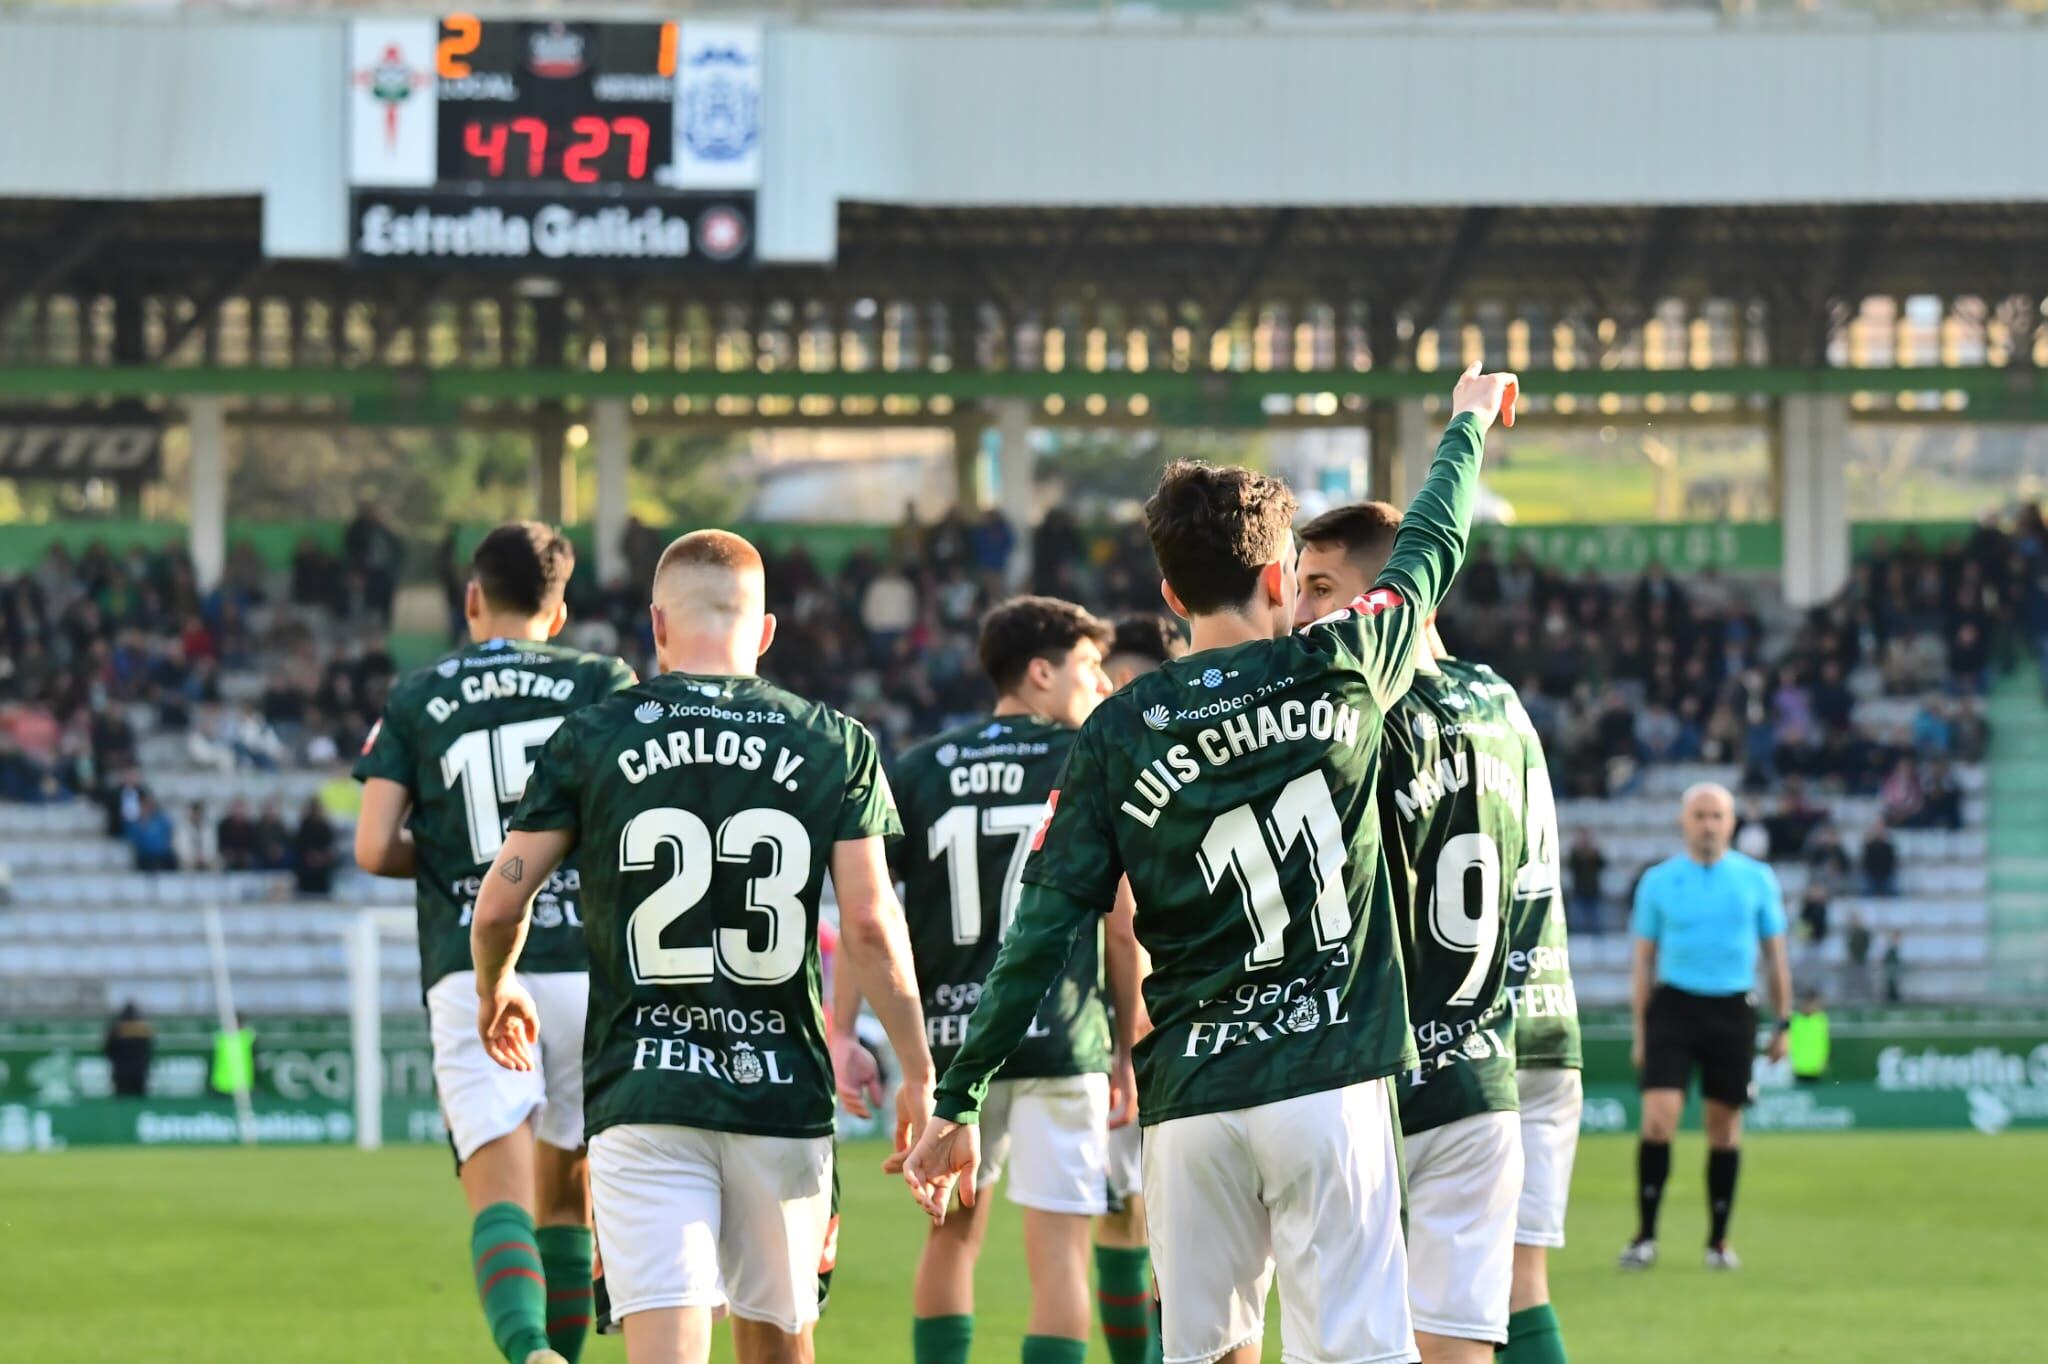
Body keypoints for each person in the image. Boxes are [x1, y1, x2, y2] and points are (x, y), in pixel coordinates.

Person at [903, 365, 1516, 1364]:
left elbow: (1043, 922)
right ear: (1281, 577)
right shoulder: (1341, 661)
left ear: (1165, 591)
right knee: (1356, 1347)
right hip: (1326, 1073)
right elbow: (1428, 544)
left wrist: (961, 1094)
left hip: (1191, 1096)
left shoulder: (1113, 727)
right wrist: (1465, 423)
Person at [471, 530, 938, 1364]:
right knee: (780, 1347)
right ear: (764, 632)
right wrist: (918, 1073)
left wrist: (495, 985)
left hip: (644, 1091)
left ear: (656, 625)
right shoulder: (834, 740)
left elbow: (501, 899)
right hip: (782, 1098)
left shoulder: (593, 736)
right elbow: (869, 925)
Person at [1293, 501, 1580, 1364]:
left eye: (1319, 587)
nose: (1303, 611)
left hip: (1416, 1054)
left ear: (1392, 591)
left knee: (1373, 1325)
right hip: (1526, 1019)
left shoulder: (1361, 715)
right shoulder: (1502, 701)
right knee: (1511, 1292)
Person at [353, 521, 638, 1364]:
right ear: (559, 610)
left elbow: (372, 847)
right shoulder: (602, 680)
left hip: (477, 964)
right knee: (569, 1194)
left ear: (472, 598)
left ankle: (528, 1352)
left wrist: (455, 867)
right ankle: (560, 1353)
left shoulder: (418, 694)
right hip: (590, 963)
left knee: (498, 1183)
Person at [838, 597, 1127, 1364]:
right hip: (1065, 1038)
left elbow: (868, 908)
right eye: (1088, 666)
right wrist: (1131, 1044)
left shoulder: (921, 767)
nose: (1100, 684)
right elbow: (1123, 920)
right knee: (1060, 1254)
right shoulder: (1086, 758)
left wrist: (841, 1028)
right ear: (1040, 672)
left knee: (950, 1236)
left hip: (951, 1051)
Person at [1622, 782, 1792, 1273]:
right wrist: (1640, 1030)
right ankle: (1645, 1237)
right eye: (1699, 815)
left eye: (1717, 815)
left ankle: (1718, 1241)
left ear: (1732, 823)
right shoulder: (1657, 880)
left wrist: (1783, 1023)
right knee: (1658, 1118)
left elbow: (1776, 958)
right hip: (1673, 1008)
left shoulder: (1757, 879)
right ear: (1684, 821)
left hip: (1733, 1009)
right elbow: (1642, 961)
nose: (1708, 824)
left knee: (1724, 1127)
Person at [1091, 611, 1187, 1364]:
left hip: (1136, 1027)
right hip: (1197, 1022)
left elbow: (1121, 922)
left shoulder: (1120, 758)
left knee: (1132, 1217)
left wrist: (1127, 1039)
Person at [103, 1001, 154, 1098]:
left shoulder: (116, 1027)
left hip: (120, 1072)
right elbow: (149, 1049)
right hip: (140, 1072)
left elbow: (108, 1048)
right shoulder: (142, 1028)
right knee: (139, 1101)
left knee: (122, 1101)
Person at [125, 795, 178, 872]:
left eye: (149, 805)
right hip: (145, 856)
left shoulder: (161, 820)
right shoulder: (135, 823)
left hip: (162, 854)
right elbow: (133, 840)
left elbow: (167, 835)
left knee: (171, 860)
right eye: (145, 805)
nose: (147, 808)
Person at [1788, 989, 1829, 1086]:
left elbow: (1824, 1043)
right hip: (1798, 1069)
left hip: (1816, 1069)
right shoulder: (1794, 1020)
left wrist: (1824, 1060)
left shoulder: (1821, 1020)